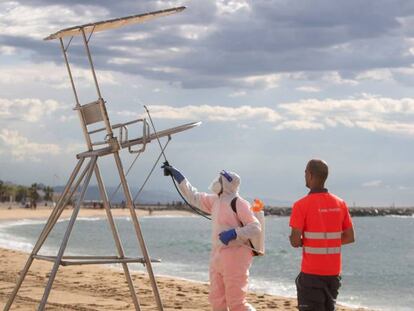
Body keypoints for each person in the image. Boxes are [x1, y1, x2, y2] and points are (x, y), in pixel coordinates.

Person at [163, 165, 261, 311]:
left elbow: (255, 227)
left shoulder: (238, 202)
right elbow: (193, 196)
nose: (216, 183)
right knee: (217, 301)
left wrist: (234, 233)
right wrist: (177, 175)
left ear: (226, 184)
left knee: (237, 303)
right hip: (218, 257)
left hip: (236, 258)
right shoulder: (216, 201)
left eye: (220, 180)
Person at [289, 159, 355, 311]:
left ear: (310, 175)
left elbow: (294, 240)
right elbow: (350, 237)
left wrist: (302, 241)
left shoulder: (301, 205)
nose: (304, 175)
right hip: (333, 273)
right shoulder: (340, 203)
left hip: (311, 274)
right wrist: (327, 243)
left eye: (305, 172)